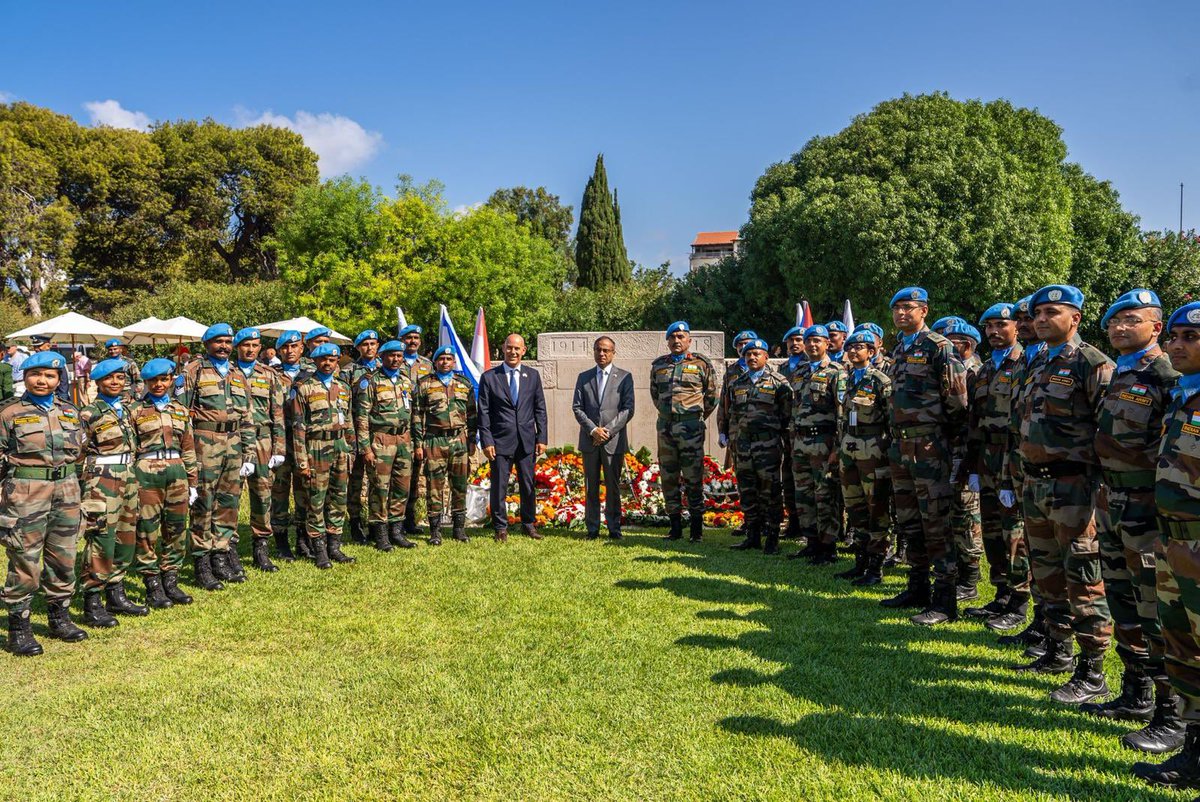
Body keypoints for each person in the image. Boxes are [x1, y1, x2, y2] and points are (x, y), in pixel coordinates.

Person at [1083, 290, 1182, 751]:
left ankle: (1172, 713)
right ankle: (1136, 693)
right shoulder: (1119, 373)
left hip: (1148, 511)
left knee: (1154, 610)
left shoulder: (1168, 376)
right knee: (1122, 601)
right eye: (1114, 321)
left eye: (1131, 320)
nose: (1120, 328)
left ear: (1155, 327)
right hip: (1112, 503)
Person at [1009, 284, 1114, 706]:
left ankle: (1093, 672)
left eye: (1052, 311)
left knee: (1084, 577)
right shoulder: (1037, 364)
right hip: (1035, 484)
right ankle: (1058, 651)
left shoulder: (1092, 363)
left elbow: (1111, 432)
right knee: (1047, 572)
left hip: (1076, 488)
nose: (1041, 319)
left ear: (1075, 318)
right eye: (1037, 313)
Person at [1131, 301, 1200, 791]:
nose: (1176, 345)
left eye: (1189, 337)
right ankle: (1193, 749)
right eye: (1173, 336)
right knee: (1182, 650)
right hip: (1174, 544)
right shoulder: (1183, 395)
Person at [879, 287, 969, 627]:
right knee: (909, 521)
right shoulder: (900, 349)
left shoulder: (938, 347)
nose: (902, 313)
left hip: (930, 448)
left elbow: (958, 403)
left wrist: (942, 438)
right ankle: (917, 588)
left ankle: (945, 601)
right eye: (897, 308)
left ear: (924, 310)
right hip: (900, 447)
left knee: (935, 522)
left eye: (908, 307)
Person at [0, 351, 88, 656]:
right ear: (25, 377)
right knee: (25, 560)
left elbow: (80, 453)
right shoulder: (9, 413)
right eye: (36, 374)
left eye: (50, 375)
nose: (42, 380)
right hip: (25, 494)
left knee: (64, 558)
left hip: (67, 490)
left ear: (58, 379)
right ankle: (19, 627)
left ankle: (59, 618)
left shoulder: (70, 412)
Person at [963, 304, 1030, 631]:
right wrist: (975, 466)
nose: (993, 331)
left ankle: (1019, 603)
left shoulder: (1027, 363)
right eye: (988, 326)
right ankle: (1001, 594)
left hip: (1012, 455)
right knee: (991, 530)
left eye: (1001, 324)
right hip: (987, 456)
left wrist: (1013, 471)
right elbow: (975, 421)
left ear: (1017, 326)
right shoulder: (985, 369)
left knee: (1014, 532)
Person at [175, 323, 255, 591]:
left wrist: (249, 452)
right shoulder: (193, 372)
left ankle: (221, 556)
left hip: (233, 444)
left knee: (228, 503)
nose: (224, 346)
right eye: (218, 341)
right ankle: (202, 561)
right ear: (207, 344)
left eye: (228, 342)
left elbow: (247, 416)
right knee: (204, 503)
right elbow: (180, 415)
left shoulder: (237, 373)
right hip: (204, 444)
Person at [78, 358, 146, 626]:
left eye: (120, 378)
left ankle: (116, 594)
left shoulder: (127, 410)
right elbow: (77, 453)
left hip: (128, 477)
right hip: (101, 480)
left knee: (126, 537)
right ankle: (92, 601)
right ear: (98, 382)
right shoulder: (88, 414)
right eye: (109, 379)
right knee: (101, 539)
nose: (116, 383)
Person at [130, 358, 197, 609]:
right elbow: (130, 448)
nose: (159, 384)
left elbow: (188, 447)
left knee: (177, 527)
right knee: (147, 528)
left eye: (164, 379)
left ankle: (171, 579)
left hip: (176, 471)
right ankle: (152, 584)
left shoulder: (180, 410)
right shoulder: (135, 411)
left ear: (171, 380)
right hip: (146, 473)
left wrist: (193, 482)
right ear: (146, 382)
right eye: (153, 380)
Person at [650, 322, 718, 542]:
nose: (676, 341)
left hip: (691, 429)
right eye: (672, 337)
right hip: (666, 428)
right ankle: (675, 527)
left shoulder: (701, 364)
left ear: (689, 340)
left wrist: (693, 418)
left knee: (693, 477)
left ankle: (696, 529)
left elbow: (712, 397)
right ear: (667, 340)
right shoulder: (659, 365)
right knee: (668, 477)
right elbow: (655, 395)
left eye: (681, 336)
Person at [783, 324, 846, 563]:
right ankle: (811, 542)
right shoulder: (798, 371)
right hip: (800, 442)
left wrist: (837, 449)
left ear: (827, 344)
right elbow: (794, 408)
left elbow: (842, 413)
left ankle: (828, 547)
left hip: (823, 442)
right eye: (809, 341)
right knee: (804, 494)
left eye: (817, 341)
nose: (812, 345)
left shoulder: (836, 371)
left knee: (825, 495)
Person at [724, 338, 792, 555]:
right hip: (743, 446)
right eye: (748, 354)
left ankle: (772, 537)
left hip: (768, 445)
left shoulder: (779, 383)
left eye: (756, 354)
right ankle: (752, 535)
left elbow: (787, 416)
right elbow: (732, 415)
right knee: (747, 489)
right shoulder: (737, 383)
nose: (752, 357)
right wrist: (733, 441)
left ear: (766, 357)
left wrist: (784, 443)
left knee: (770, 491)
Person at [291, 343, 356, 568]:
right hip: (316, 446)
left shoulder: (343, 387)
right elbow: (298, 428)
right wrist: (301, 460)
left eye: (332, 359)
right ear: (315, 361)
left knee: (338, 498)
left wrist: (352, 449)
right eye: (323, 360)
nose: (328, 363)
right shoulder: (304, 388)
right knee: (315, 500)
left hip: (340, 446)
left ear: (338, 361)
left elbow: (348, 421)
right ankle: (319, 550)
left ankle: (334, 546)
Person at [836, 330, 893, 585]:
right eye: (850, 347)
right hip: (850, 447)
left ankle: (875, 567)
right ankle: (859, 562)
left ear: (871, 352)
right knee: (855, 506)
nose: (853, 351)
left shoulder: (881, 381)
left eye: (860, 347)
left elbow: (891, 420)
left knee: (876, 509)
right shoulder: (848, 379)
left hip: (873, 449)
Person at [479, 334, 548, 540]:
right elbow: (483, 411)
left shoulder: (533, 376)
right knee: (499, 485)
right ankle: (500, 527)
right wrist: (487, 440)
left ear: (524, 351)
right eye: (509, 348)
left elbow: (540, 409)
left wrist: (542, 437)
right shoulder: (490, 377)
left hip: (527, 441)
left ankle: (528, 524)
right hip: (500, 441)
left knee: (528, 484)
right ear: (503, 348)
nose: (513, 352)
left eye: (517, 348)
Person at [355, 339, 418, 550]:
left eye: (399, 356)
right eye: (391, 355)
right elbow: (362, 417)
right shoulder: (370, 381)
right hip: (381, 441)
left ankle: (397, 531)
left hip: (403, 440)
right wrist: (365, 447)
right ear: (382, 357)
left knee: (402, 487)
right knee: (380, 489)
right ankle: (380, 533)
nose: (396, 359)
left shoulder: (405, 381)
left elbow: (413, 414)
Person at [571, 336, 635, 540]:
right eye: (598, 349)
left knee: (613, 487)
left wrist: (606, 431)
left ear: (613, 353)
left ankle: (614, 528)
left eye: (606, 350)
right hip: (590, 441)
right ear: (594, 351)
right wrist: (593, 430)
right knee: (591, 487)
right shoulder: (584, 377)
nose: (602, 353)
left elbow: (628, 409)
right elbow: (577, 408)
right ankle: (592, 529)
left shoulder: (625, 377)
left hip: (612, 442)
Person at [234, 328, 287, 573]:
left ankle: (261, 550)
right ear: (237, 346)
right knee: (231, 497)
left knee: (263, 495)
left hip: (264, 440)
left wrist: (279, 447)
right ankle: (230, 551)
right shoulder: (228, 372)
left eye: (255, 345)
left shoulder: (269, 374)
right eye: (246, 344)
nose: (251, 349)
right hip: (233, 441)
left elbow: (277, 414)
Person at [412, 347, 478, 543]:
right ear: (435, 362)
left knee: (459, 485)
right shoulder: (425, 385)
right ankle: (435, 531)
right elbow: (417, 416)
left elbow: (472, 414)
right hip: (434, 440)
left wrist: (473, 439)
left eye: (449, 359)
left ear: (454, 362)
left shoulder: (464, 385)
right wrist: (418, 443)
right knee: (434, 486)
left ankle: (459, 529)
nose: (445, 362)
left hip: (459, 440)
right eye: (441, 359)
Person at [943, 320, 986, 602]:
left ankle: (969, 579)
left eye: (950, 343)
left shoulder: (976, 373)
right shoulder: (947, 371)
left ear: (967, 345)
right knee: (951, 514)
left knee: (967, 515)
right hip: (947, 451)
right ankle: (958, 570)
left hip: (967, 453)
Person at [270, 330, 307, 561]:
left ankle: (304, 540)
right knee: (279, 493)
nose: (290, 351)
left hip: (305, 443)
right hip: (280, 442)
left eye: (294, 346)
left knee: (305, 492)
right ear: (278, 351)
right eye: (285, 347)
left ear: (302, 348)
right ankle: (281, 542)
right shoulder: (270, 374)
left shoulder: (313, 373)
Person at [343, 329, 381, 545]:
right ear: (358, 347)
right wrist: (351, 437)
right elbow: (346, 406)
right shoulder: (349, 371)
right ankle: (356, 524)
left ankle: (377, 525)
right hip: (356, 434)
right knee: (355, 483)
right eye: (365, 344)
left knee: (378, 481)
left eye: (373, 344)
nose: (369, 348)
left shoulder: (383, 368)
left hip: (379, 436)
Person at [398, 324, 434, 537]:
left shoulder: (427, 365)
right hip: (398, 427)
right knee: (398, 476)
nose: (412, 341)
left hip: (419, 428)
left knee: (414, 476)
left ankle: (410, 518)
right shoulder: (392, 360)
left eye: (415, 338)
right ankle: (396, 521)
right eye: (408, 338)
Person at [30, 336, 70, 401]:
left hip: (55, 396)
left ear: (48, 346)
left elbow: (63, 379)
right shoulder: (33, 360)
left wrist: (63, 397)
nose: (36, 349)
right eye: (35, 347)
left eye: (39, 346)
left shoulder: (56, 359)